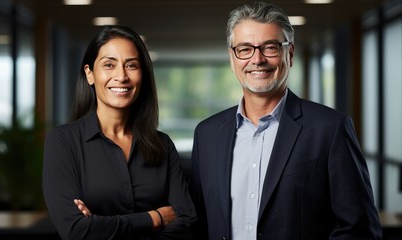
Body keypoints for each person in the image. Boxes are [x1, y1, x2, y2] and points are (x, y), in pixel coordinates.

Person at [188, 2, 382, 239]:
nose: (257, 59)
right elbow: (196, 224)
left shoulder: (330, 129)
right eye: (245, 49)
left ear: (289, 54)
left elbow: (359, 230)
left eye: (270, 47)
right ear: (232, 58)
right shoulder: (206, 134)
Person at [42, 25, 196, 240]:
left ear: (143, 74)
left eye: (131, 65)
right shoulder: (63, 142)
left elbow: (186, 223)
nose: (121, 76)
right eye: (109, 65)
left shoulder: (163, 145)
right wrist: (155, 218)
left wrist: (100, 225)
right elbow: (76, 230)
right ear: (90, 74)